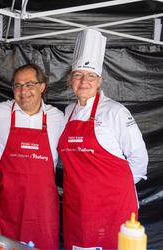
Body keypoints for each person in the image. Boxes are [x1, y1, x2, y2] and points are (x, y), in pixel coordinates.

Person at [57, 29, 148, 249]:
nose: (84, 81)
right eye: (78, 75)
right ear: (70, 80)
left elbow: (140, 159)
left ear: (100, 81)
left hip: (111, 207)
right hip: (77, 206)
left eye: (91, 76)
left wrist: (111, 191)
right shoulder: (68, 112)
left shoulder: (115, 111)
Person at [0, 63, 65, 249]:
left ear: (42, 87)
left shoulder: (57, 118)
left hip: (43, 210)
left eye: (29, 84)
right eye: (18, 85)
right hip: (8, 206)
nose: (23, 91)